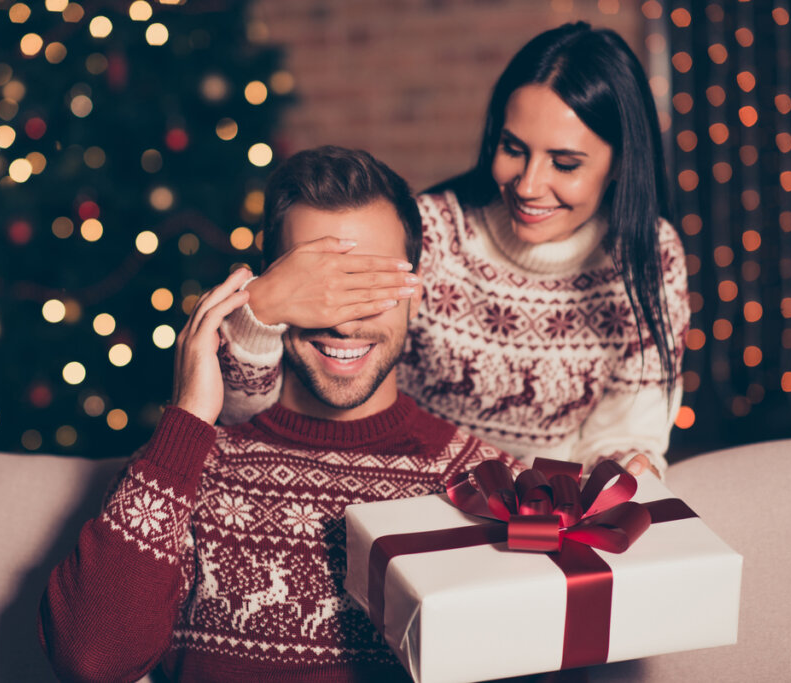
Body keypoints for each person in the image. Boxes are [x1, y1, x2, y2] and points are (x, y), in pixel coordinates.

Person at [38, 147, 518, 683]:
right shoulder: (188, 466)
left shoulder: (481, 482)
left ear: (416, 296)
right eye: (318, 289)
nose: (342, 322)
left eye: (371, 287)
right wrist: (190, 414)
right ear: (271, 292)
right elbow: (90, 660)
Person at [216, 22, 690, 478]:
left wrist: (620, 474)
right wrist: (258, 316)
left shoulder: (652, 256)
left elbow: (627, 431)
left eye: (564, 164)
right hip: (417, 490)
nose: (528, 185)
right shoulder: (434, 233)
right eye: (513, 148)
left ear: (621, 163)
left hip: (553, 507)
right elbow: (263, 407)